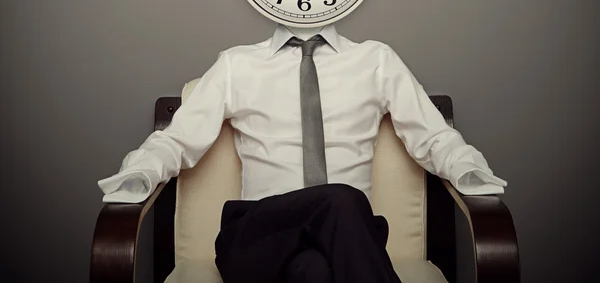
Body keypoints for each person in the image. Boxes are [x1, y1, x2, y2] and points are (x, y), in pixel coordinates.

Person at [98, 23, 506, 283]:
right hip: (257, 234)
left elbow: (433, 136)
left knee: (314, 271)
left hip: (347, 239)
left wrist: (468, 171)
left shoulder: (375, 60)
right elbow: (177, 139)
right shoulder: (237, 64)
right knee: (342, 198)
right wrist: (140, 174)